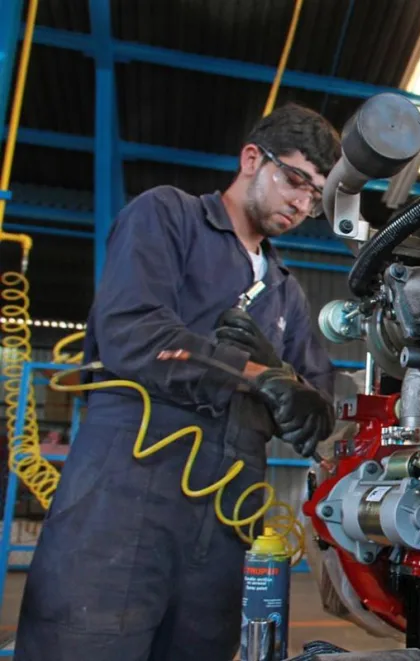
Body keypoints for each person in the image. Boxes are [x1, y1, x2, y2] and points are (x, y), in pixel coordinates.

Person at [15, 104, 341, 661]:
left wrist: (310, 400)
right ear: (250, 160)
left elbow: (317, 395)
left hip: (225, 512)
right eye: (295, 180)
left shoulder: (286, 293)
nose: (302, 203)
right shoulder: (168, 216)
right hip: (128, 487)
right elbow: (132, 329)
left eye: (315, 196)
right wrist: (258, 376)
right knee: (86, 641)